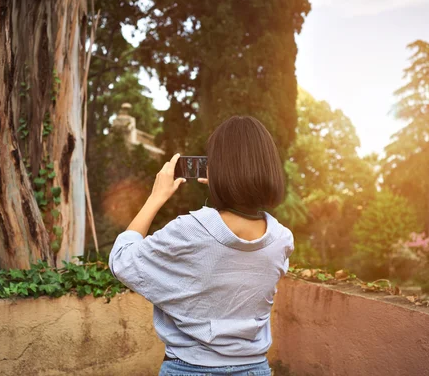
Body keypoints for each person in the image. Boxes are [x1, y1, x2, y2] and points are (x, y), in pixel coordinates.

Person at [109, 116, 294, 376]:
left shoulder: (192, 228)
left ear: (217, 167)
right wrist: (228, 192)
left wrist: (155, 197)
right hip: (255, 369)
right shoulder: (283, 239)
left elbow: (122, 261)